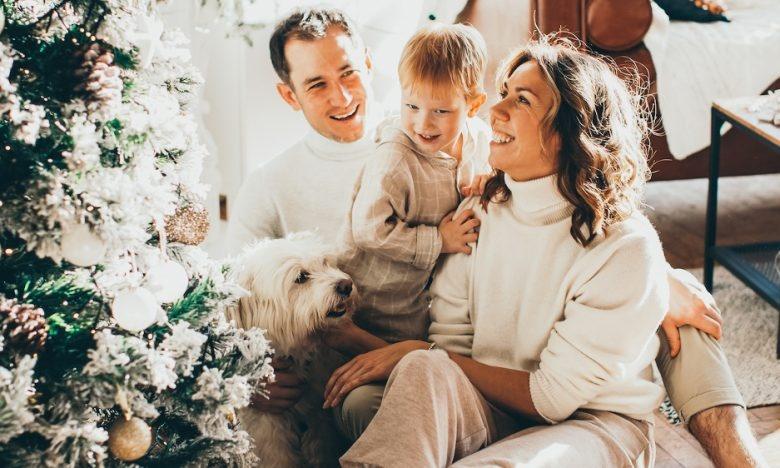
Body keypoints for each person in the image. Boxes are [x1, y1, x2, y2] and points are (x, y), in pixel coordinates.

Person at [227, 8, 762, 466]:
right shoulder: (272, 187)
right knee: (407, 379)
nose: (341, 94)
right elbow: (230, 310)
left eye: (347, 71)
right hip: (424, 367)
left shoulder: (445, 136)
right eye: (316, 84)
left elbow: (597, 226)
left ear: (371, 65)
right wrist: (247, 376)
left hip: (560, 400)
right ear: (289, 95)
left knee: (688, 327)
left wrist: (659, 279)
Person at [337, 23, 491, 346]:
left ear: (473, 106)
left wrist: (489, 179)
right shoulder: (394, 158)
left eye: (441, 111)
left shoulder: (479, 138)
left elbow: (493, 168)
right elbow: (368, 229)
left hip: (427, 300)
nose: (423, 123)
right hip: (377, 302)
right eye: (412, 106)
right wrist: (438, 240)